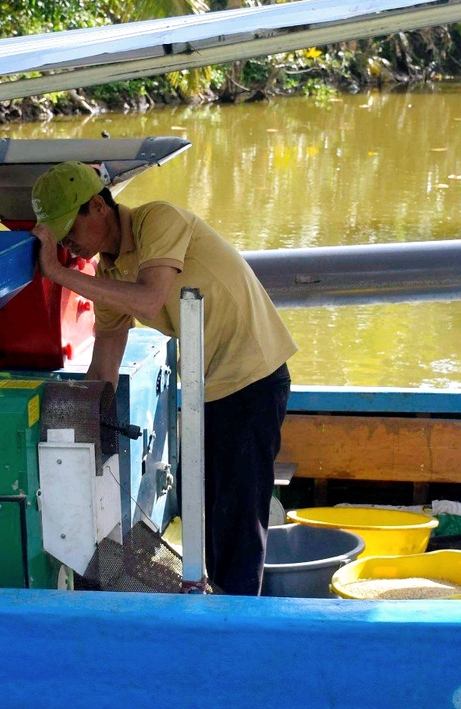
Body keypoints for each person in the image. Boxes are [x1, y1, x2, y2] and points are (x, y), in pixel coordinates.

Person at [29, 161, 297, 595]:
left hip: (253, 377)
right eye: (57, 237)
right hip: (206, 387)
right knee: (209, 512)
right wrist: (81, 429)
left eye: (68, 230)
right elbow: (105, 360)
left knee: (238, 521)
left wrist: (58, 274)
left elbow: (151, 299)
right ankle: (223, 614)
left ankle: (239, 631)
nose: (66, 243)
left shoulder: (159, 219)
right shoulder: (110, 272)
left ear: (97, 206)